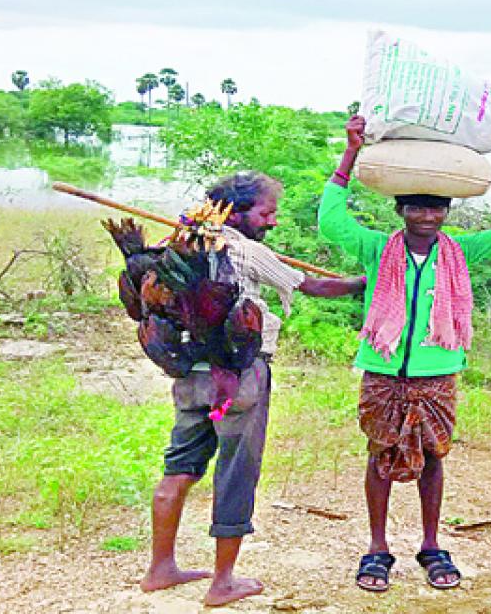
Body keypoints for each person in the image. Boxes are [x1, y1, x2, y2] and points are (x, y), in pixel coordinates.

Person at [318, 116, 491, 593]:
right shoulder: (377, 250)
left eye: (437, 208)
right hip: (382, 369)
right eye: (417, 207)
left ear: (448, 212)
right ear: (401, 209)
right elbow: (331, 220)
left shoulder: (460, 254)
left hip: (438, 372)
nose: (427, 217)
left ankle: (431, 544)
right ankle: (377, 547)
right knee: (379, 454)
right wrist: (350, 153)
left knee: (435, 456)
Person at [140, 171, 366, 607]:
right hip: (241, 375)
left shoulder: (180, 244)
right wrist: (364, 282)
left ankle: (160, 569)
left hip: (190, 373)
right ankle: (223, 581)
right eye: (267, 212)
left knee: (179, 466)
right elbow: (312, 285)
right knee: (236, 471)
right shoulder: (245, 249)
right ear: (236, 212)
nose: (273, 221)